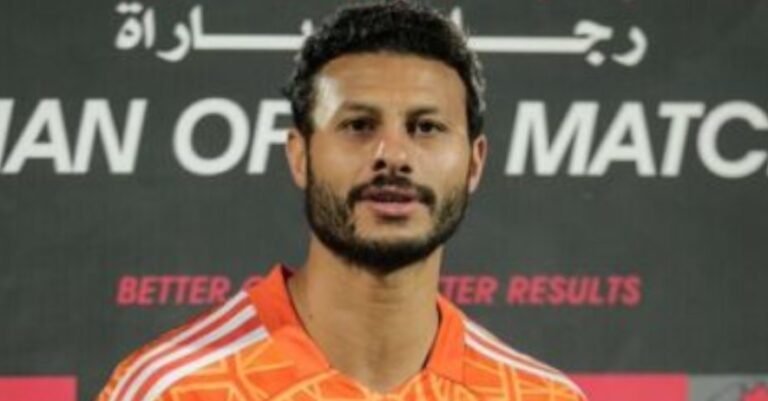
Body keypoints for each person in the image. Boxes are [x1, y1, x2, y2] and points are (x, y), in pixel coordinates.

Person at [97, 1, 587, 400]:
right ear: (300, 156)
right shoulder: (173, 389)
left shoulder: (540, 396)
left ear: (475, 163)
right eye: (358, 125)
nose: (393, 155)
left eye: (426, 127)